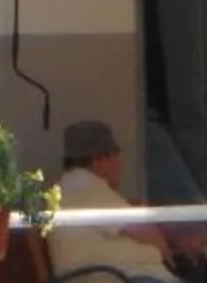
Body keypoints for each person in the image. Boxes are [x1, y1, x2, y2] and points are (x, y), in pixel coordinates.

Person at [50, 117, 181, 283]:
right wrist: (168, 249)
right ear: (98, 158)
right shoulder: (83, 183)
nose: (120, 163)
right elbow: (142, 230)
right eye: (116, 154)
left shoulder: (77, 186)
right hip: (121, 278)